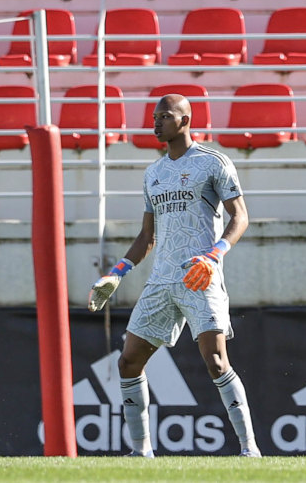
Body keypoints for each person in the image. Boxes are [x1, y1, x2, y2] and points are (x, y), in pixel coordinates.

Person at [87, 94, 260, 458]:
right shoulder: (153, 173)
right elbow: (147, 236)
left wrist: (214, 255)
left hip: (200, 277)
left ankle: (249, 449)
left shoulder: (213, 162)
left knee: (216, 362)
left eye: (165, 116)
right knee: (128, 361)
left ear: (185, 121)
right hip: (161, 281)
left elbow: (240, 217)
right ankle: (141, 452)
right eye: (154, 116)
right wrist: (116, 274)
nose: (156, 122)